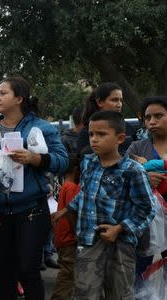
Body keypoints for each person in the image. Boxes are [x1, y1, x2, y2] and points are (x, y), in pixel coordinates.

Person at [0, 76, 68, 300]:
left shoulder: (41, 128)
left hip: (31, 210)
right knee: (4, 273)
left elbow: (62, 161)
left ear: (19, 98)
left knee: (27, 270)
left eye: (3, 93)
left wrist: (36, 159)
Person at [52, 111, 156, 299]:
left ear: (120, 138)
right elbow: (86, 194)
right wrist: (66, 210)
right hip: (88, 240)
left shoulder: (133, 170)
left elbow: (146, 209)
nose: (94, 139)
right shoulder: (88, 163)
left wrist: (119, 228)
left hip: (120, 245)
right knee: (84, 291)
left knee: (119, 292)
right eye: (91, 134)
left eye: (101, 134)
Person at [126, 96, 167, 282]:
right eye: (147, 117)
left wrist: (149, 165)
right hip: (147, 225)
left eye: (159, 116)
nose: (152, 121)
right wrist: (144, 178)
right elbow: (122, 177)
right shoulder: (137, 147)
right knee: (142, 276)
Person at [76, 82, 135, 156]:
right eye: (114, 100)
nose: (119, 104)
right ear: (99, 102)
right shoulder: (86, 132)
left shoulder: (127, 127)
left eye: (121, 100)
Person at [51, 154, 80, 300]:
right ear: (76, 170)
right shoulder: (72, 187)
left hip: (61, 236)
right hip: (68, 237)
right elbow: (71, 212)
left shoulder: (65, 186)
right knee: (67, 274)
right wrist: (76, 233)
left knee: (66, 272)